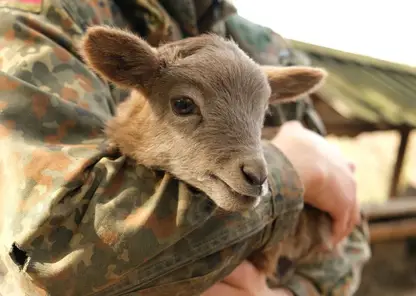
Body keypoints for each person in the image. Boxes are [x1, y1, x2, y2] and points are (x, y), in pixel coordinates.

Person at [0, 0, 370, 295]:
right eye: (184, 105)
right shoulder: (44, 18)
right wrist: (290, 167)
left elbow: (348, 230)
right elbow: (52, 253)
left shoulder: (267, 49)